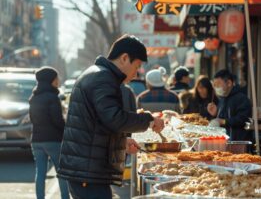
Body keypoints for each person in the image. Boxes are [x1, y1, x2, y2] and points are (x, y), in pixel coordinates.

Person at [58, 35, 164, 199]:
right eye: (137, 67)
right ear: (124, 58)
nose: (136, 74)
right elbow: (114, 118)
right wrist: (149, 120)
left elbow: (98, 124)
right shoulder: (103, 77)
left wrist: (120, 142)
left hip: (87, 169)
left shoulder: (98, 74)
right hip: (88, 173)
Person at [29, 67, 69, 199]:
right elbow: (57, 120)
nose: (58, 81)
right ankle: (65, 197)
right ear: (50, 80)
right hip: (53, 140)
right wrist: (66, 131)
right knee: (61, 172)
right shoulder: (52, 97)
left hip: (36, 140)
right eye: (56, 78)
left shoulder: (33, 98)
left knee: (40, 173)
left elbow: (32, 119)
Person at [207, 69, 252, 141]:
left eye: (218, 84)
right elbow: (221, 118)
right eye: (214, 85)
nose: (216, 87)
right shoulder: (222, 99)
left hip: (237, 141)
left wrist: (223, 121)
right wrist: (215, 114)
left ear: (229, 83)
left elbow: (243, 119)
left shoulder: (241, 98)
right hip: (224, 141)